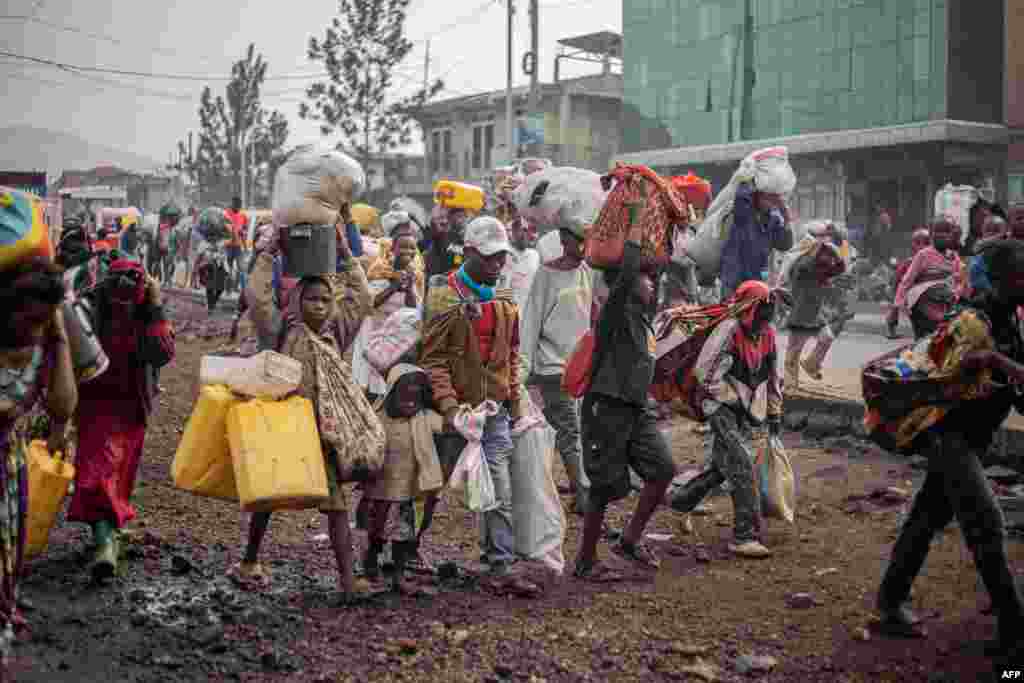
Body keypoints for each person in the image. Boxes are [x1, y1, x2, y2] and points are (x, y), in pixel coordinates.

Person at [874, 239, 1024, 657]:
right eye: (1019, 277)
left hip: (971, 437)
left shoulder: (1011, 319)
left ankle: (889, 603)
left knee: (927, 516)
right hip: (947, 434)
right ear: (995, 282)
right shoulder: (969, 321)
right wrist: (993, 363)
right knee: (986, 521)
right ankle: (1013, 626)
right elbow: (939, 374)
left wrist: (1006, 370)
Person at [239, 221, 382, 602]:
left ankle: (348, 581)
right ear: (297, 301)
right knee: (268, 497)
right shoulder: (281, 330)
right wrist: (268, 254)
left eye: (324, 299)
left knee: (336, 508)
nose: (319, 305)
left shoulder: (337, 331)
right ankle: (249, 560)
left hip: (328, 436)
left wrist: (345, 251)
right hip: (291, 428)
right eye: (311, 299)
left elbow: (363, 297)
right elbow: (256, 296)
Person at [420, 216, 530, 586]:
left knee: (499, 486)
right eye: (488, 257)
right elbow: (433, 359)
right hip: (453, 412)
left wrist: (513, 400)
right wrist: (451, 409)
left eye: (501, 257)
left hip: (493, 410)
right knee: (428, 486)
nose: (497, 264)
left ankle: (500, 564)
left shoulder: (504, 298)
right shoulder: (443, 295)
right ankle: (401, 554)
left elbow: (512, 353)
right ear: (467, 253)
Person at [572, 218, 676, 581]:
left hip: (635, 410)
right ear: (625, 282)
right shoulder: (614, 313)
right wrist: (632, 223)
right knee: (604, 485)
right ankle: (585, 561)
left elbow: (657, 273)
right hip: (607, 407)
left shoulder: (642, 318)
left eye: (653, 279)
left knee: (663, 469)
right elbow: (629, 266)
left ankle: (629, 540)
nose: (651, 283)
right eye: (644, 278)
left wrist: (666, 236)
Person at [70, 261, 175, 580]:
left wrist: (154, 308)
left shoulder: (147, 311)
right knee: (97, 474)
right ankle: (105, 545)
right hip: (95, 406)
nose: (124, 291)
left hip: (130, 409)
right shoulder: (90, 306)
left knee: (118, 475)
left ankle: (106, 535)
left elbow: (161, 353)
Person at [670, 281, 785, 558]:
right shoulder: (728, 331)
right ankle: (744, 536)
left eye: (769, 314)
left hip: (742, 407)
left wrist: (774, 411)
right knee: (742, 462)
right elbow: (705, 375)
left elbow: (773, 378)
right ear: (749, 310)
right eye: (762, 313)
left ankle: (680, 501)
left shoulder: (768, 335)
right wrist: (733, 400)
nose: (765, 320)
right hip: (719, 405)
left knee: (724, 466)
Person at [0, 258, 77, 665]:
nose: (33, 330)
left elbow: (63, 406)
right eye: (26, 319)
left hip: (8, 473)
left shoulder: (45, 341)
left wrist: (60, 334)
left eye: (41, 320)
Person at [519, 220, 594, 515]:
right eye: (578, 240)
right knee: (569, 430)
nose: (583, 246)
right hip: (552, 367)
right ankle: (582, 492)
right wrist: (523, 370)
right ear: (564, 239)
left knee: (572, 429)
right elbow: (531, 323)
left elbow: (589, 317)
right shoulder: (546, 275)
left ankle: (559, 488)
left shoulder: (587, 272)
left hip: (580, 365)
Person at [362, 364, 445, 594]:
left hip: (407, 492)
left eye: (416, 395)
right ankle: (370, 560)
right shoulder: (377, 418)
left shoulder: (424, 418)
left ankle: (398, 577)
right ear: (391, 393)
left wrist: (471, 417)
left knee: (403, 536)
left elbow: (449, 425)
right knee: (376, 533)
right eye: (405, 395)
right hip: (379, 491)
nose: (411, 401)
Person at [352, 216, 423, 399]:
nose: (408, 251)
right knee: (369, 386)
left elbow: (413, 309)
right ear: (393, 249)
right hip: (373, 336)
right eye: (403, 247)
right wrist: (393, 287)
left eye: (412, 247)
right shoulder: (380, 270)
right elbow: (370, 303)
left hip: (395, 342)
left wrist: (407, 288)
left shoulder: (414, 276)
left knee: (389, 387)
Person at [783, 230, 846, 391]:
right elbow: (807, 266)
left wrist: (837, 255)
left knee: (827, 338)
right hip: (800, 314)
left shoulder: (819, 266)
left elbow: (839, 269)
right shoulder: (801, 265)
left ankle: (811, 364)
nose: (826, 257)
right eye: (822, 251)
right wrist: (820, 248)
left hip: (815, 315)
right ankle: (790, 385)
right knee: (793, 353)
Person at [719, 181, 794, 299]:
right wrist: (754, 178)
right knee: (731, 315)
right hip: (734, 279)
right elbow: (741, 194)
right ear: (756, 196)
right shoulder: (743, 213)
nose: (768, 202)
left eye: (772, 199)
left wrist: (787, 218)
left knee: (755, 315)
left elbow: (785, 244)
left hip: (757, 281)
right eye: (765, 197)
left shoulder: (773, 220)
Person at [894, 219, 964, 340]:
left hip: (945, 305)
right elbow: (907, 281)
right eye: (939, 232)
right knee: (924, 341)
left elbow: (960, 280)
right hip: (922, 306)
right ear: (932, 236)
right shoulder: (923, 255)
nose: (943, 236)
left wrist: (956, 294)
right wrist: (897, 305)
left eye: (947, 232)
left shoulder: (954, 257)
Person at [886, 228, 931, 338]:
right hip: (909, 294)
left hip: (927, 295)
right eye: (920, 243)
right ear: (914, 245)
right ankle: (892, 329)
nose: (923, 246)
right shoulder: (908, 263)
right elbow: (897, 281)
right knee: (895, 307)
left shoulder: (935, 260)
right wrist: (896, 298)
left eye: (926, 243)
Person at [499, 216, 540, 312]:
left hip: (528, 313)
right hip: (508, 313)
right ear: (513, 231)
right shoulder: (503, 253)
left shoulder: (535, 255)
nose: (529, 234)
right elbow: (500, 287)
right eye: (524, 230)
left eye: (532, 231)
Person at [422, 205, 468, 286]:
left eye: (464, 217)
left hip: (454, 283)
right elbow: (431, 232)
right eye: (458, 216)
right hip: (436, 281)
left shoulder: (462, 239)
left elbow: (459, 259)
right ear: (450, 217)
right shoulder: (441, 235)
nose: (462, 220)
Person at [224, 197, 248, 294]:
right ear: (232, 204)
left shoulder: (243, 216)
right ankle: (227, 289)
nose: (238, 208)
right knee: (228, 269)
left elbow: (244, 231)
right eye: (236, 205)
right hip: (227, 246)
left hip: (238, 246)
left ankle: (237, 287)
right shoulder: (226, 215)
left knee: (241, 268)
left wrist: (245, 246)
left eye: (239, 206)